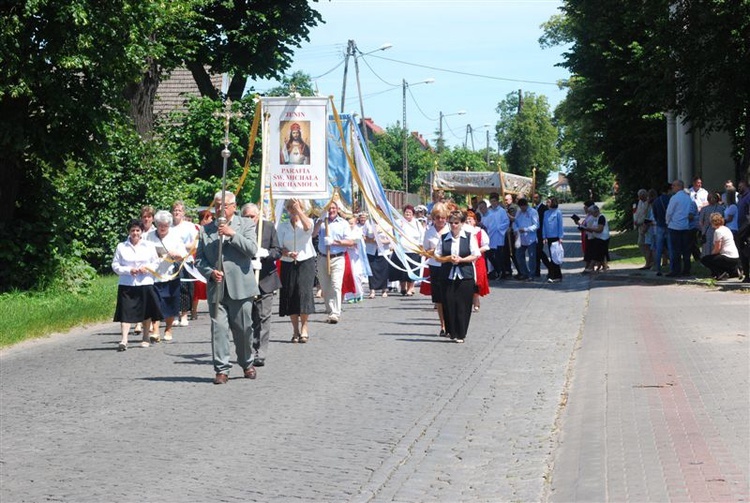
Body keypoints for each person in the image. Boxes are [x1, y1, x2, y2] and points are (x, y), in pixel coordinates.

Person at [195, 191, 259, 385]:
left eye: (223, 205)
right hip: (218, 288)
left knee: (243, 329)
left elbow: (252, 250)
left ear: (233, 206)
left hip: (241, 286)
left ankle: (246, 362)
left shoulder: (246, 224)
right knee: (219, 330)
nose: (219, 209)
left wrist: (232, 234)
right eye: (216, 205)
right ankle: (221, 369)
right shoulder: (206, 231)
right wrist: (209, 271)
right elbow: (199, 259)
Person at [111, 219, 162, 351]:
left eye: (138, 230)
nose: (135, 233)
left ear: (142, 232)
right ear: (129, 232)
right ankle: (124, 339)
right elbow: (115, 265)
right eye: (132, 230)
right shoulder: (121, 246)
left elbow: (156, 262)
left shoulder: (149, 246)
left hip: (145, 282)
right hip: (127, 283)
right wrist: (128, 270)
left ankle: (145, 337)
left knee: (146, 311)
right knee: (125, 311)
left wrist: (147, 268)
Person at [241, 203, 282, 367]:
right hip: (245, 279)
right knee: (248, 318)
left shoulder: (268, 227)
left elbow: (277, 251)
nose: (250, 219)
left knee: (264, 317)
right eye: (247, 217)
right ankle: (248, 349)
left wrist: (265, 255)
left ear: (258, 215)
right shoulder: (238, 229)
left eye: (253, 216)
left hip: (266, 279)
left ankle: (260, 352)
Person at [436, 210, 480, 343]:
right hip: (447, 275)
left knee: (463, 304)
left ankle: (461, 333)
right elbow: (437, 256)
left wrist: (461, 260)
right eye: (451, 223)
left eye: (456, 223)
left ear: (461, 223)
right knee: (448, 302)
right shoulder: (444, 238)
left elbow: (476, 254)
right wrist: (448, 258)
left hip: (465, 275)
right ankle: (452, 331)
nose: (453, 225)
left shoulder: (468, 237)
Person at [146, 210, 188, 343]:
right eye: (159, 225)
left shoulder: (175, 236)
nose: (162, 227)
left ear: (169, 225)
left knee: (170, 303)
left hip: (171, 275)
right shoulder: (148, 236)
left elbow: (183, 253)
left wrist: (176, 254)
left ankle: (168, 328)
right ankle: (156, 329)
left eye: (165, 225)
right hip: (153, 275)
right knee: (155, 303)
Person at [314, 201, 354, 324]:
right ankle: (330, 308)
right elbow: (313, 234)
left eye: (333, 208)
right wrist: (320, 220)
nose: (331, 210)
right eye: (329, 208)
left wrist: (334, 242)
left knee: (336, 285)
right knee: (325, 287)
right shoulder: (320, 223)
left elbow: (350, 242)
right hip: (322, 257)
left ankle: (335, 313)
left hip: (337, 257)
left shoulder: (343, 223)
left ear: (337, 209)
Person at [423, 203, 450, 336]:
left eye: (443, 217)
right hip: (435, 266)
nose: (440, 220)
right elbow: (425, 251)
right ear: (433, 218)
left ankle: (451, 323)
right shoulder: (429, 232)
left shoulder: (451, 230)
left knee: (449, 297)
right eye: (438, 217)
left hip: (449, 266)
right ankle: (443, 325)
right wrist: (433, 252)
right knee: (439, 298)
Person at [171, 201, 199, 327]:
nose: (177, 212)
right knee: (172, 287)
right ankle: (174, 313)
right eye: (175, 210)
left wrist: (181, 247)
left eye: (179, 210)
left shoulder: (189, 226)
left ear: (183, 213)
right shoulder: (168, 226)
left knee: (185, 288)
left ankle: (184, 314)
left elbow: (195, 244)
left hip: (186, 260)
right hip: (171, 261)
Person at [389, 204, 424, 296]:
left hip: (413, 251)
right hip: (401, 250)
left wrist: (421, 248)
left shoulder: (417, 223)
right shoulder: (398, 222)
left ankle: (410, 288)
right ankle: (403, 287)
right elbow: (393, 234)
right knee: (402, 270)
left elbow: (422, 235)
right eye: (406, 212)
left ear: (413, 214)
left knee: (412, 270)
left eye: (410, 212)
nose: (408, 214)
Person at [666, 179, 698, 277]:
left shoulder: (675, 198)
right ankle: (686, 270)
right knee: (686, 250)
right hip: (685, 226)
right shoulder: (688, 198)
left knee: (675, 250)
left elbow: (669, 212)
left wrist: (667, 222)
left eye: (674, 185)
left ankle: (676, 270)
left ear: (679, 186)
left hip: (675, 226)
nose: (672, 187)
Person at [700, 213, 740, 280]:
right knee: (716, 259)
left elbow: (717, 249)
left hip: (728, 257)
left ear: (712, 222)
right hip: (735, 257)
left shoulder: (718, 231)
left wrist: (711, 256)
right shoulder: (726, 228)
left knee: (705, 259)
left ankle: (720, 273)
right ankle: (733, 272)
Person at [464, 210, 490, 311]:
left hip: (478, 260)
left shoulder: (480, 231)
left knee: (477, 280)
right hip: (466, 259)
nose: (468, 222)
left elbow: (486, 246)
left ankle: (476, 298)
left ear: (475, 221)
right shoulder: (463, 232)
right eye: (466, 220)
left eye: (470, 220)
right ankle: (469, 300)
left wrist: (476, 251)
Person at [191, 209, 213, 320]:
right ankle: (193, 310)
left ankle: (212, 308)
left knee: (208, 284)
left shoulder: (211, 229)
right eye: (209, 218)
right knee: (196, 285)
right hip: (196, 257)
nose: (211, 220)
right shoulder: (195, 229)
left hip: (208, 257)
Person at [482, 193, 510, 281]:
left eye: (494, 201)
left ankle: (502, 272)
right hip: (490, 235)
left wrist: (499, 228)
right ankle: (497, 270)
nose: (493, 203)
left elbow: (506, 222)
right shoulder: (489, 211)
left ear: (497, 201)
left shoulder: (501, 211)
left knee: (499, 255)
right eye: (491, 201)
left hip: (498, 235)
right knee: (489, 254)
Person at [512, 197, 539, 280]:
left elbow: (536, 225)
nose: (522, 209)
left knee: (532, 257)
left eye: (523, 207)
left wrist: (526, 229)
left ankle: (532, 274)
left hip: (531, 238)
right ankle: (524, 272)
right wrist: (516, 230)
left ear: (526, 205)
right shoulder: (519, 212)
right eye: (520, 207)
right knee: (518, 255)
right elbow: (515, 223)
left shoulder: (533, 212)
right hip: (521, 238)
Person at [651, 183, 672, 276]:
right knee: (670, 247)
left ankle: (658, 269)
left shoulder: (656, 201)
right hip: (669, 225)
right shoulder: (670, 199)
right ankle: (672, 268)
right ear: (668, 190)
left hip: (659, 225)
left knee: (658, 248)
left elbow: (654, 214)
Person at [542, 197, 564, 283]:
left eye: (548, 202)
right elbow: (544, 225)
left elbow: (560, 225)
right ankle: (555, 275)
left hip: (556, 237)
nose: (547, 204)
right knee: (552, 256)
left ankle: (556, 275)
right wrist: (544, 236)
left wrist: (560, 237)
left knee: (555, 256)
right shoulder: (546, 213)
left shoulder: (558, 212)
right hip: (549, 237)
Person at [582, 205, 610, 272]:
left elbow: (600, 229)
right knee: (600, 254)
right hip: (597, 237)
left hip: (603, 238)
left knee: (597, 253)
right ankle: (604, 267)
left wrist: (590, 229)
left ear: (596, 212)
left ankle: (591, 267)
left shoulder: (601, 217)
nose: (591, 214)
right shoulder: (596, 218)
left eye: (592, 213)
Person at [698, 192, 724, 257]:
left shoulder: (704, 209)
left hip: (707, 231)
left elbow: (700, 222)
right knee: (717, 246)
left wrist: (702, 230)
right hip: (718, 230)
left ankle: (706, 261)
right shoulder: (721, 208)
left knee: (707, 247)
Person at [633, 189, 653, 269]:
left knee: (646, 244)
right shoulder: (640, 202)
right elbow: (638, 212)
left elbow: (647, 215)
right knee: (641, 244)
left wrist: (641, 222)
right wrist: (636, 222)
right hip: (640, 225)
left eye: (642, 197)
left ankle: (650, 262)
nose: (640, 198)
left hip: (646, 226)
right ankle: (649, 261)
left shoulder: (649, 203)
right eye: (639, 197)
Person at [532, 193, 550, 277]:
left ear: (540, 198)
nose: (535, 199)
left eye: (536, 197)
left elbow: (545, 222)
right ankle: (537, 271)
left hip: (541, 233)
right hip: (533, 234)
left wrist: (545, 235)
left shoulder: (544, 208)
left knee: (539, 252)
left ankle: (550, 267)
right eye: (534, 198)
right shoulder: (533, 208)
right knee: (536, 253)